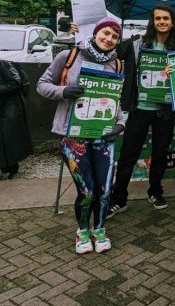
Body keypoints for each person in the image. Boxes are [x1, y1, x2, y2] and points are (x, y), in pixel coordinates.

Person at [37, 17, 125, 254]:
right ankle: (82, 231)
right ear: (96, 33)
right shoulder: (68, 57)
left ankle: (100, 229)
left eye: (114, 36)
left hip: (103, 136)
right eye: (105, 33)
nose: (108, 39)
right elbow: (42, 85)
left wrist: (120, 123)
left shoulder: (117, 64)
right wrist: (64, 91)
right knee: (86, 190)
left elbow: (114, 100)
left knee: (105, 190)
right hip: (73, 135)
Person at [108, 4, 175, 218]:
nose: (162, 22)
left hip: (165, 110)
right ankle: (119, 198)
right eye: (158, 18)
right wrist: (84, 33)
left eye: (166, 19)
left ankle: (155, 191)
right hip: (140, 108)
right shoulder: (136, 44)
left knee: (160, 154)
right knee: (128, 155)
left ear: (172, 22)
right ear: (152, 22)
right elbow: (108, 49)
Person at [0, 60, 32, 179]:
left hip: (8, 106)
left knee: (8, 138)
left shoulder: (2, 64)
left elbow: (14, 83)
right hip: (5, 105)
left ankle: (11, 168)